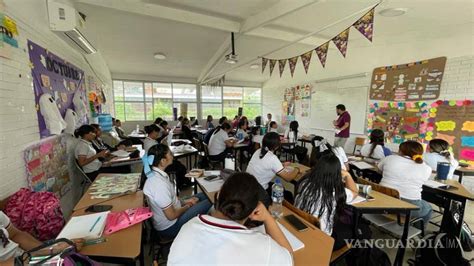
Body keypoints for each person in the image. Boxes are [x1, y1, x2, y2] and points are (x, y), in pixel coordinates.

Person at [168, 172, 293, 265]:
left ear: (218, 195)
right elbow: (288, 259)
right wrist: (267, 218)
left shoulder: (189, 226)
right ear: (253, 210)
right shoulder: (263, 247)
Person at [143, 144, 211, 238]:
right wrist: (189, 205)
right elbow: (171, 215)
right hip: (171, 227)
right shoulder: (158, 184)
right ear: (163, 161)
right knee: (211, 200)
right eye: (170, 153)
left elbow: (172, 199)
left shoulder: (156, 175)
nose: (172, 155)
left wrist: (185, 201)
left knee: (205, 195)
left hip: (173, 213)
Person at [295, 154, 357, 249]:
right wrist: (348, 175)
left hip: (302, 227)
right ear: (336, 173)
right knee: (352, 231)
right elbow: (354, 192)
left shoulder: (305, 182)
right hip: (322, 239)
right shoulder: (335, 192)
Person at [378, 141, 432, 229]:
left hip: (383, 199)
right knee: (428, 208)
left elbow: (379, 170)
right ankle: (416, 231)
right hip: (407, 206)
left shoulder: (390, 158)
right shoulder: (426, 168)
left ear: (401, 151)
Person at [0, 211, 84, 263]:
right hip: (22, 261)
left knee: (78, 254)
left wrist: (49, 250)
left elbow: (15, 235)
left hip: (25, 258)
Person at [246, 132, 300, 203]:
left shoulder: (258, 151)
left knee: (281, 188)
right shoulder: (272, 158)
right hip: (259, 192)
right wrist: (297, 169)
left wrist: (281, 164)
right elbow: (288, 178)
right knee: (288, 195)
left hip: (247, 187)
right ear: (277, 146)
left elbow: (265, 164)